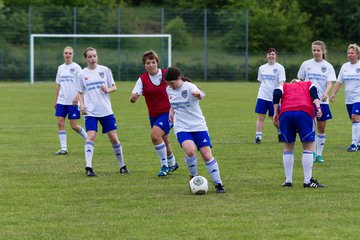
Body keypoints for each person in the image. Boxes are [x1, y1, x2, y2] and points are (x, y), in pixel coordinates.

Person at [164, 67, 225, 193]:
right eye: (168, 83)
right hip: (181, 127)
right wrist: (171, 111)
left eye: (172, 83)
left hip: (198, 126)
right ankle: (194, 177)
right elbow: (173, 102)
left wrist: (198, 94)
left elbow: (200, 94)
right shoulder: (168, 89)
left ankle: (218, 184)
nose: (170, 86)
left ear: (179, 79)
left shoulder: (189, 87)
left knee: (206, 155)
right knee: (190, 151)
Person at [77, 47, 130, 177]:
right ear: (85, 59)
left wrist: (107, 89)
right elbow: (79, 92)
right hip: (91, 112)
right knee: (91, 136)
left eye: (94, 56)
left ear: (97, 57)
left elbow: (114, 87)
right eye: (89, 56)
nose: (92, 59)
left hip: (106, 111)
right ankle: (88, 167)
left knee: (114, 138)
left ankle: (122, 166)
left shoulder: (105, 70)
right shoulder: (82, 74)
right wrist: (82, 105)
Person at [129, 50, 178, 177]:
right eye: (148, 63)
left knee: (155, 136)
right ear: (144, 65)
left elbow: (179, 84)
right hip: (153, 115)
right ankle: (173, 163)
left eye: (153, 62)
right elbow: (135, 93)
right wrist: (134, 97)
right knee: (164, 140)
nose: (151, 65)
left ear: (157, 62)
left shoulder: (165, 74)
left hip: (168, 113)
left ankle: (164, 166)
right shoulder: (142, 79)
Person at [273, 79, 325, 188]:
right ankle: (307, 181)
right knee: (308, 147)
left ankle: (288, 181)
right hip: (303, 111)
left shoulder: (285, 86)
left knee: (288, 147)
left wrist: (275, 112)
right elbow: (314, 94)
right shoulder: (308, 83)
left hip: (286, 113)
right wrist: (318, 108)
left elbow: (276, 93)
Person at [297, 40, 336, 163]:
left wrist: (326, 93)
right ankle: (312, 152)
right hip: (308, 101)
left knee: (321, 127)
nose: (316, 52)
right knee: (311, 126)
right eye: (314, 50)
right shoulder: (306, 64)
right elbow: (300, 80)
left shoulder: (328, 66)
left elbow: (330, 82)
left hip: (323, 102)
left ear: (323, 51)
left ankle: (319, 154)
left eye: (318, 50)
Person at [54, 46, 87, 155]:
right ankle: (64, 148)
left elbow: (82, 85)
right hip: (61, 100)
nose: (68, 55)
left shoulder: (77, 67)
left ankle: (88, 138)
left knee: (74, 126)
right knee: (60, 122)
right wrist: (56, 100)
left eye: (70, 53)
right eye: (66, 53)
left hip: (73, 101)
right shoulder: (60, 68)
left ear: (72, 55)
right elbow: (58, 85)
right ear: (63, 54)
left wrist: (77, 98)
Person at [330, 43, 360, 151]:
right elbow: (339, 81)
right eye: (348, 53)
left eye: (352, 53)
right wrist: (333, 94)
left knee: (355, 117)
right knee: (355, 120)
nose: (350, 55)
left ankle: (354, 144)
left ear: (358, 54)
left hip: (359, 97)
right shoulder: (345, 66)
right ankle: (358, 142)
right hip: (349, 99)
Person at [254, 48, 286, 144]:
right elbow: (260, 82)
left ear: (276, 56)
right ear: (266, 56)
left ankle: (280, 133)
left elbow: (282, 82)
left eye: (273, 54)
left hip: (274, 98)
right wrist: (262, 92)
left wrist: (278, 94)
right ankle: (258, 137)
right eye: (269, 54)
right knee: (261, 117)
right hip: (262, 96)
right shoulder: (262, 68)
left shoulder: (280, 68)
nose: (271, 56)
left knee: (275, 118)